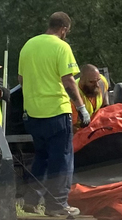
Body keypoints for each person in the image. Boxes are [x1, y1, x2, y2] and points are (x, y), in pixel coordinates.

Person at [18, 12, 88, 218]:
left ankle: (31, 200)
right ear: (64, 29)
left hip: (33, 113)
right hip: (56, 112)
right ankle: (57, 204)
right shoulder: (61, 47)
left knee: (41, 157)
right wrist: (81, 107)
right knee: (62, 159)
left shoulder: (28, 46)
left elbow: (21, 80)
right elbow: (68, 81)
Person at [71, 64, 109, 131]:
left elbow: (105, 91)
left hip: (97, 126)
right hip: (80, 131)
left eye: (98, 80)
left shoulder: (102, 81)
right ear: (82, 81)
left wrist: (106, 105)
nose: (97, 85)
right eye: (92, 82)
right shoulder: (73, 97)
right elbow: (72, 127)